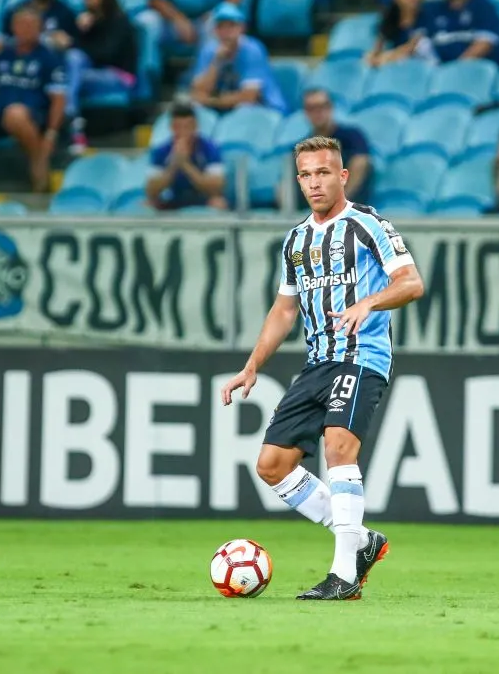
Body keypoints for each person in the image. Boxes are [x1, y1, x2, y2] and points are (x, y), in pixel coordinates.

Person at [220, 136, 425, 601]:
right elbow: (284, 311)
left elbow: (411, 282)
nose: (315, 182)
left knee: (338, 447)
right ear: (298, 180)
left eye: (323, 173)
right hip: (318, 362)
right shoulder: (296, 240)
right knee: (272, 466)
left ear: (342, 176)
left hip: (362, 355)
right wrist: (251, 366)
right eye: (306, 175)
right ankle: (362, 540)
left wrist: (369, 303)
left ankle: (344, 574)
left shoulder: (368, 225)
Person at [0, 5, 67, 192]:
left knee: (15, 114)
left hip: (33, 114)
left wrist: (51, 133)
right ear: (13, 27)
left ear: (40, 28)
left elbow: (58, 99)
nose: (26, 29)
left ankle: (37, 162)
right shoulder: (1, 54)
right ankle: (40, 157)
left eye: (32, 25)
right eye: (21, 24)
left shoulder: (48, 57)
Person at [66, 0, 139, 154]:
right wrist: (79, 32)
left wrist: (75, 40)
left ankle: (71, 124)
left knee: (71, 76)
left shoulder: (119, 21)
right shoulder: (85, 20)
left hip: (119, 76)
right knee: (73, 60)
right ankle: (71, 121)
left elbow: (105, 55)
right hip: (93, 74)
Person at [190, 2, 286, 114]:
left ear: (242, 28)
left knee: (244, 108)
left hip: (266, 109)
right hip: (226, 109)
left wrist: (211, 100)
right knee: (195, 108)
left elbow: (249, 96)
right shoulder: (209, 50)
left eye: (231, 25)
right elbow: (198, 92)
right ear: (214, 30)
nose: (226, 32)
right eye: (220, 26)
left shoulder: (253, 49)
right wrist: (216, 62)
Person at [146, 101, 227, 210]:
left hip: (202, 199)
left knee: (219, 203)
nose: (183, 131)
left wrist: (186, 164)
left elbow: (216, 189)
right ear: (171, 128)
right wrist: (174, 165)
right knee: (148, 204)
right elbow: (151, 191)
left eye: (187, 127)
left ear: (195, 126)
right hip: (173, 199)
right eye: (178, 127)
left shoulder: (210, 149)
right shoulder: (161, 151)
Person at [298, 88, 371, 207]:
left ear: (331, 108)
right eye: (312, 108)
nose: (318, 112)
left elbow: (361, 164)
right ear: (306, 113)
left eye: (322, 106)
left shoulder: (352, 136)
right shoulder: (303, 145)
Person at [412, 0, 499, 68]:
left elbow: (485, 43)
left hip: (473, 72)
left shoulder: (482, 5)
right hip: (440, 70)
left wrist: (455, 69)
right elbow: (418, 41)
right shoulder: (433, 8)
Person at [139, 0, 246, 52]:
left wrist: (218, 13)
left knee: (216, 25)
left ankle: (200, 84)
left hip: (209, 19)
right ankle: (146, 86)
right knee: (147, 21)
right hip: (174, 21)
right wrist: (178, 19)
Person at [366, 0, 423, 67]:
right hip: (394, 67)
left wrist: (386, 58)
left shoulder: (426, 19)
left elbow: (410, 48)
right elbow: (377, 49)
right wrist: (373, 57)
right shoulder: (388, 21)